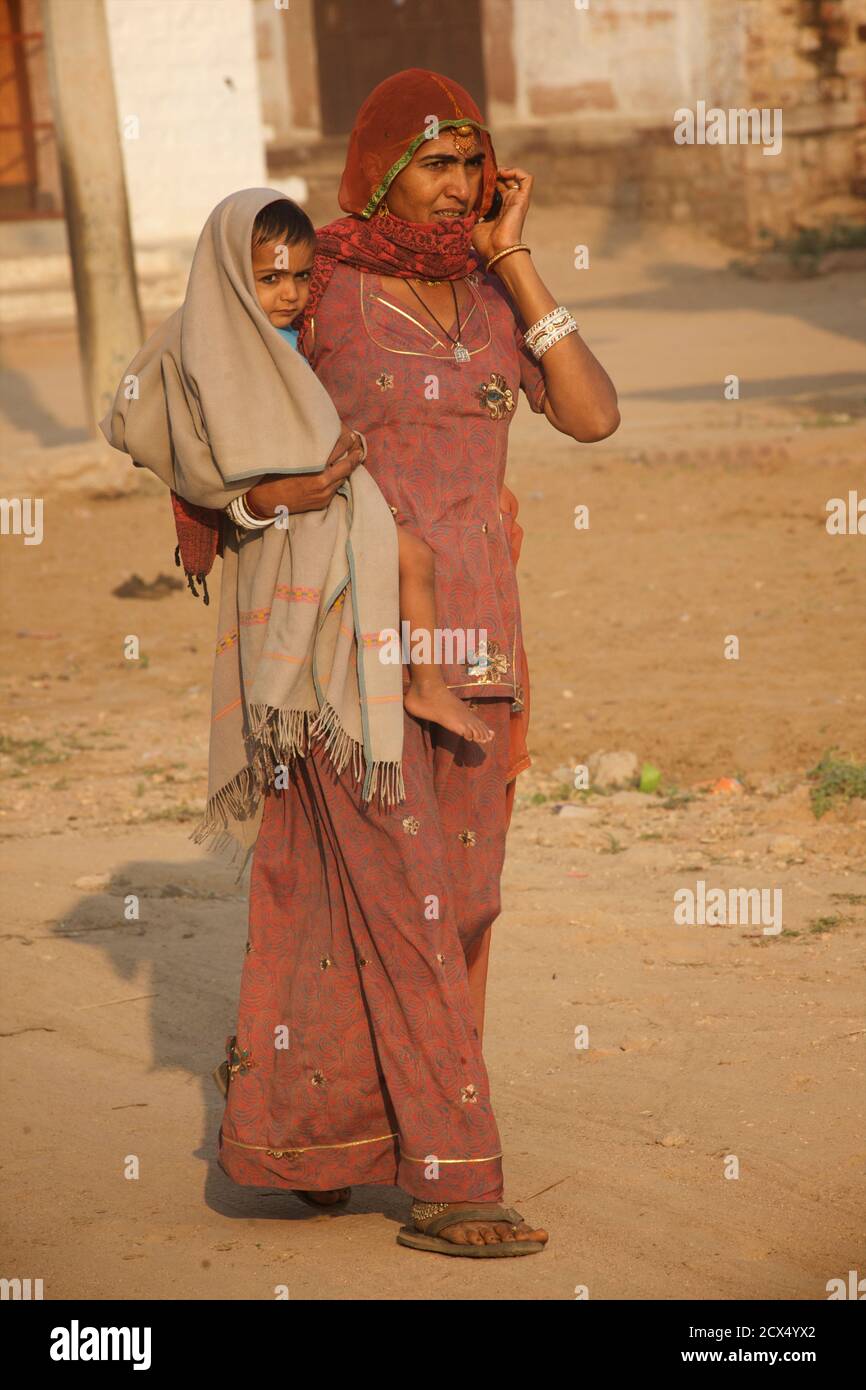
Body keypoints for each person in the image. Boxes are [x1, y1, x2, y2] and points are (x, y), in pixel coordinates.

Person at [173, 68, 619, 1257]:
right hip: (343, 642)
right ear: (379, 169)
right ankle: (454, 1178)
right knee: (401, 902)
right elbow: (199, 390)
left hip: (478, 642)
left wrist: (514, 260)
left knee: (459, 902)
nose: (461, 183)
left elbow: (590, 414)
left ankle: (306, 1120)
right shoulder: (321, 285)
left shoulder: (485, 299)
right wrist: (270, 499)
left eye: (474, 162)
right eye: (437, 162)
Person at [248, 195, 494, 745]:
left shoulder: (296, 333)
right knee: (409, 557)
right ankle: (423, 685)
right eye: (269, 279)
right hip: (294, 499)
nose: (290, 294)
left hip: (331, 484)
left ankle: (425, 682)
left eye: (302, 277)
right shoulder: (236, 349)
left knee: (412, 559)